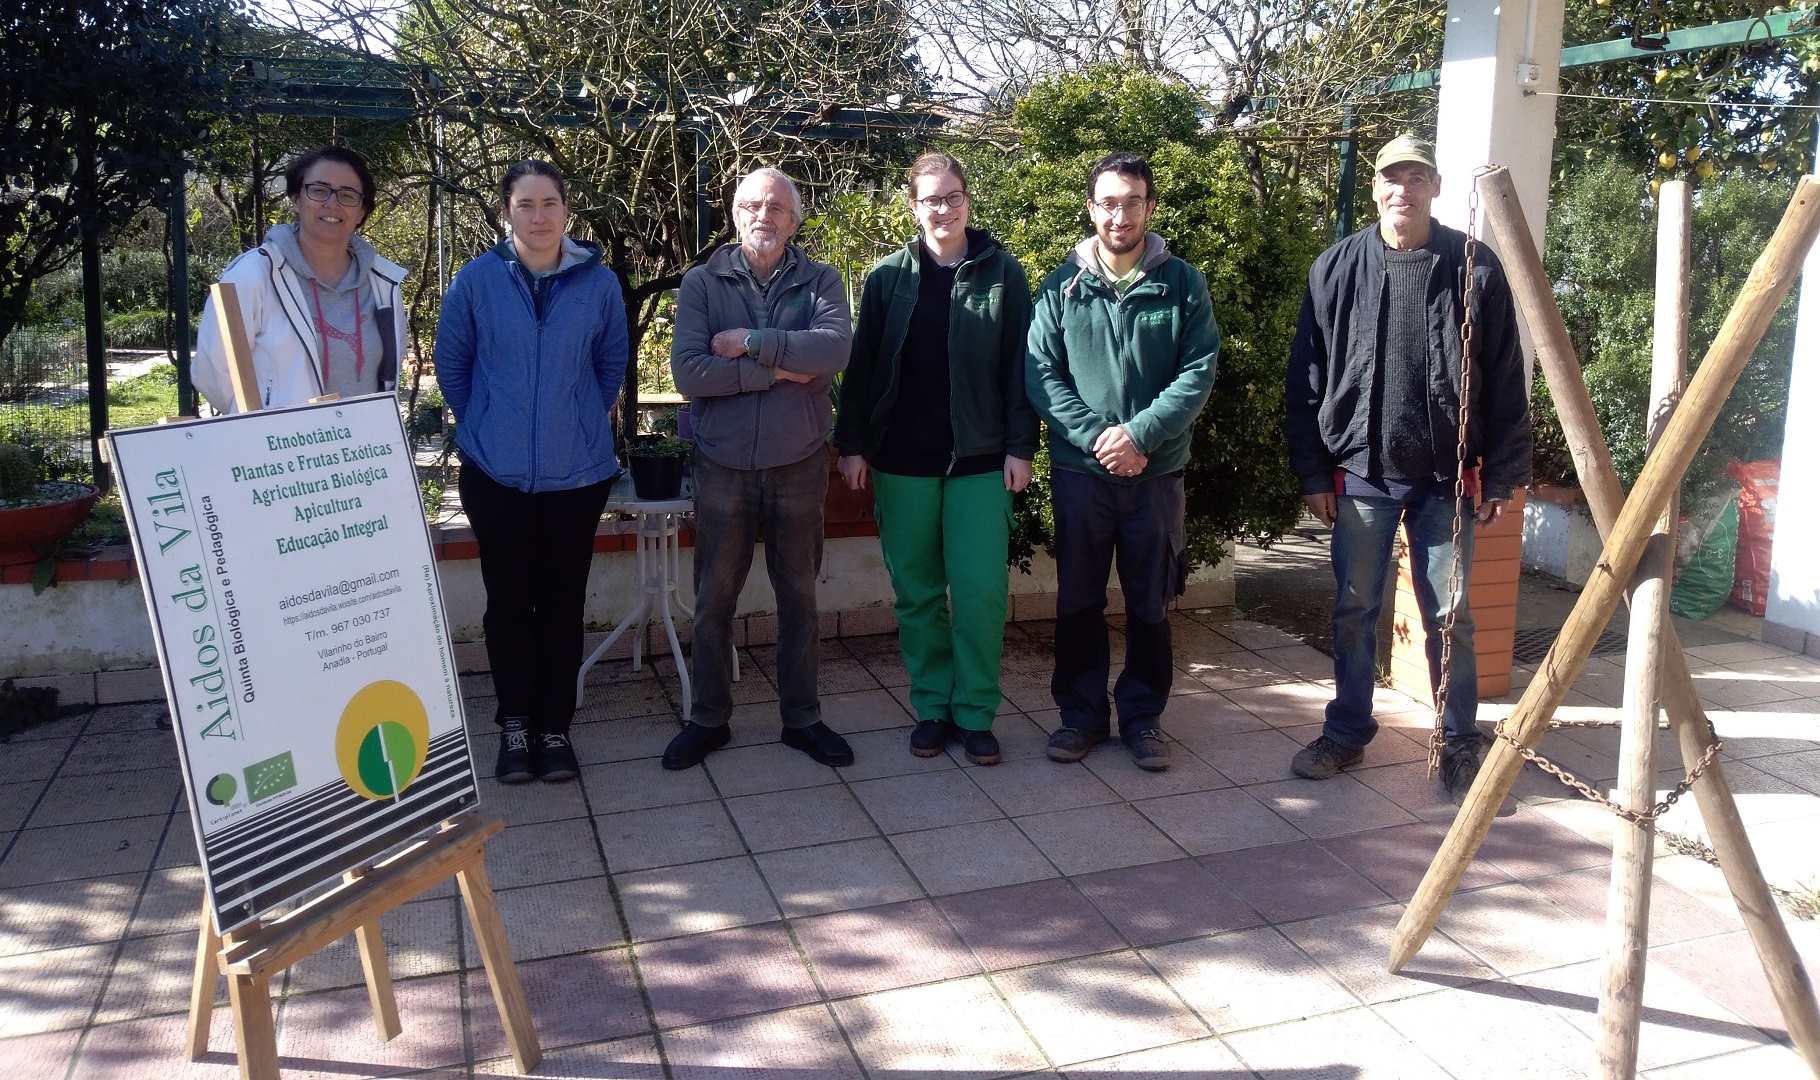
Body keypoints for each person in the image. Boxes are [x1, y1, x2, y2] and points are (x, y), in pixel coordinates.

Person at [1284, 134, 1531, 801]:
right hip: (1362, 473)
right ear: (1375, 188)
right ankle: (1346, 732)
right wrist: (1313, 473)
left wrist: (1501, 474)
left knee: (1450, 617)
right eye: (1392, 178)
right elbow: (1306, 378)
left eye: (1417, 178)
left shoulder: (1475, 268)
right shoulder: (1335, 268)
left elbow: (1506, 379)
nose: (1404, 190)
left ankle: (1459, 741)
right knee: (1353, 608)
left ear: (1435, 188)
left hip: (1445, 481)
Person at [834, 152, 1038, 766]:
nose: (942, 209)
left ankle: (975, 713)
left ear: (968, 200)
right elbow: (863, 368)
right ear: (912, 206)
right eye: (930, 199)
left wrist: (1020, 446)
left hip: (980, 462)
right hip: (902, 462)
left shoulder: (1003, 273)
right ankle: (932, 708)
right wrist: (852, 444)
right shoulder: (887, 278)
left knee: (979, 595)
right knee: (917, 595)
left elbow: (1020, 368)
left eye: (952, 197)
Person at [434, 160, 629, 784]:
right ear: (506, 212)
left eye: (549, 203)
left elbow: (611, 364)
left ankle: (554, 728)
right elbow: (453, 364)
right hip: (496, 475)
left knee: (564, 602)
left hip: (577, 476)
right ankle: (515, 725)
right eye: (525, 204)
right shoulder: (476, 280)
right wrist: (488, 424)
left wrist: (575, 420)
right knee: (509, 604)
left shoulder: (599, 283)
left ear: (566, 211)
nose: (539, 216)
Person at [1026, 152, 1220, 773]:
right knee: (1078, 600)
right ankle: (1080, 716)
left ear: (1149, 207)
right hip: (1081, 476)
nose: (1120, 215)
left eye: (1132, 202)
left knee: (1150, 603)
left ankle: (1142, 718)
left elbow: (1197, 372)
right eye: (1108, 203)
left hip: (1155, 476)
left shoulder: (1182, 283)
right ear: (1091, 208)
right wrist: (1098, 439)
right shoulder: (1060, 287)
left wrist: (1138, 436)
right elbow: (1041, 374)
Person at [664, 168, 854, 771]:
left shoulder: (821, 280)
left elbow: (834, 351)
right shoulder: (703, 282)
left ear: (793, 220)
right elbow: (690, 373)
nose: (763, 216)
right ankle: (708, 719)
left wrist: (750, 341)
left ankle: (802, 719)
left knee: (799, 596)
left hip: (799, 460)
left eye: (775, 207)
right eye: (751, 205)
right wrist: (779, 368)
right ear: (735, 215)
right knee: (713, 596)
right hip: (722, 464)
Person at [194, 146, 407, 413]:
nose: (332, 204)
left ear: (362, 211)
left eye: (347, 195)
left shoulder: (383, 283)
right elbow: (213, 372)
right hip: (281, 438)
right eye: (318, 190)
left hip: (364, 437)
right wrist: (263, 426)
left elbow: (390, 371)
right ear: (296, 199)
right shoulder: (254, 275)